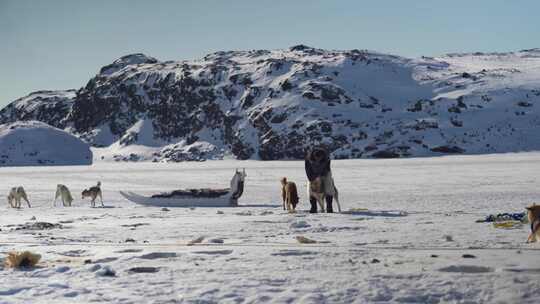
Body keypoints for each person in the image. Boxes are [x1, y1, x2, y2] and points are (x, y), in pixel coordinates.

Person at [305, 147, 335, 213]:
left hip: (324, 173)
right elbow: (308, 170)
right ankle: (313, 207)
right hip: (312, 174)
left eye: (320, 158)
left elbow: (327, 169)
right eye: (316, 158)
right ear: (314, 156)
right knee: (310, 189)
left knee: (328, 187)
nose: (318, 159)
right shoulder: (308, 159)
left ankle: (329, 206)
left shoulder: (326, 158)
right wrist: (312, 178)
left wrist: (322, 176)